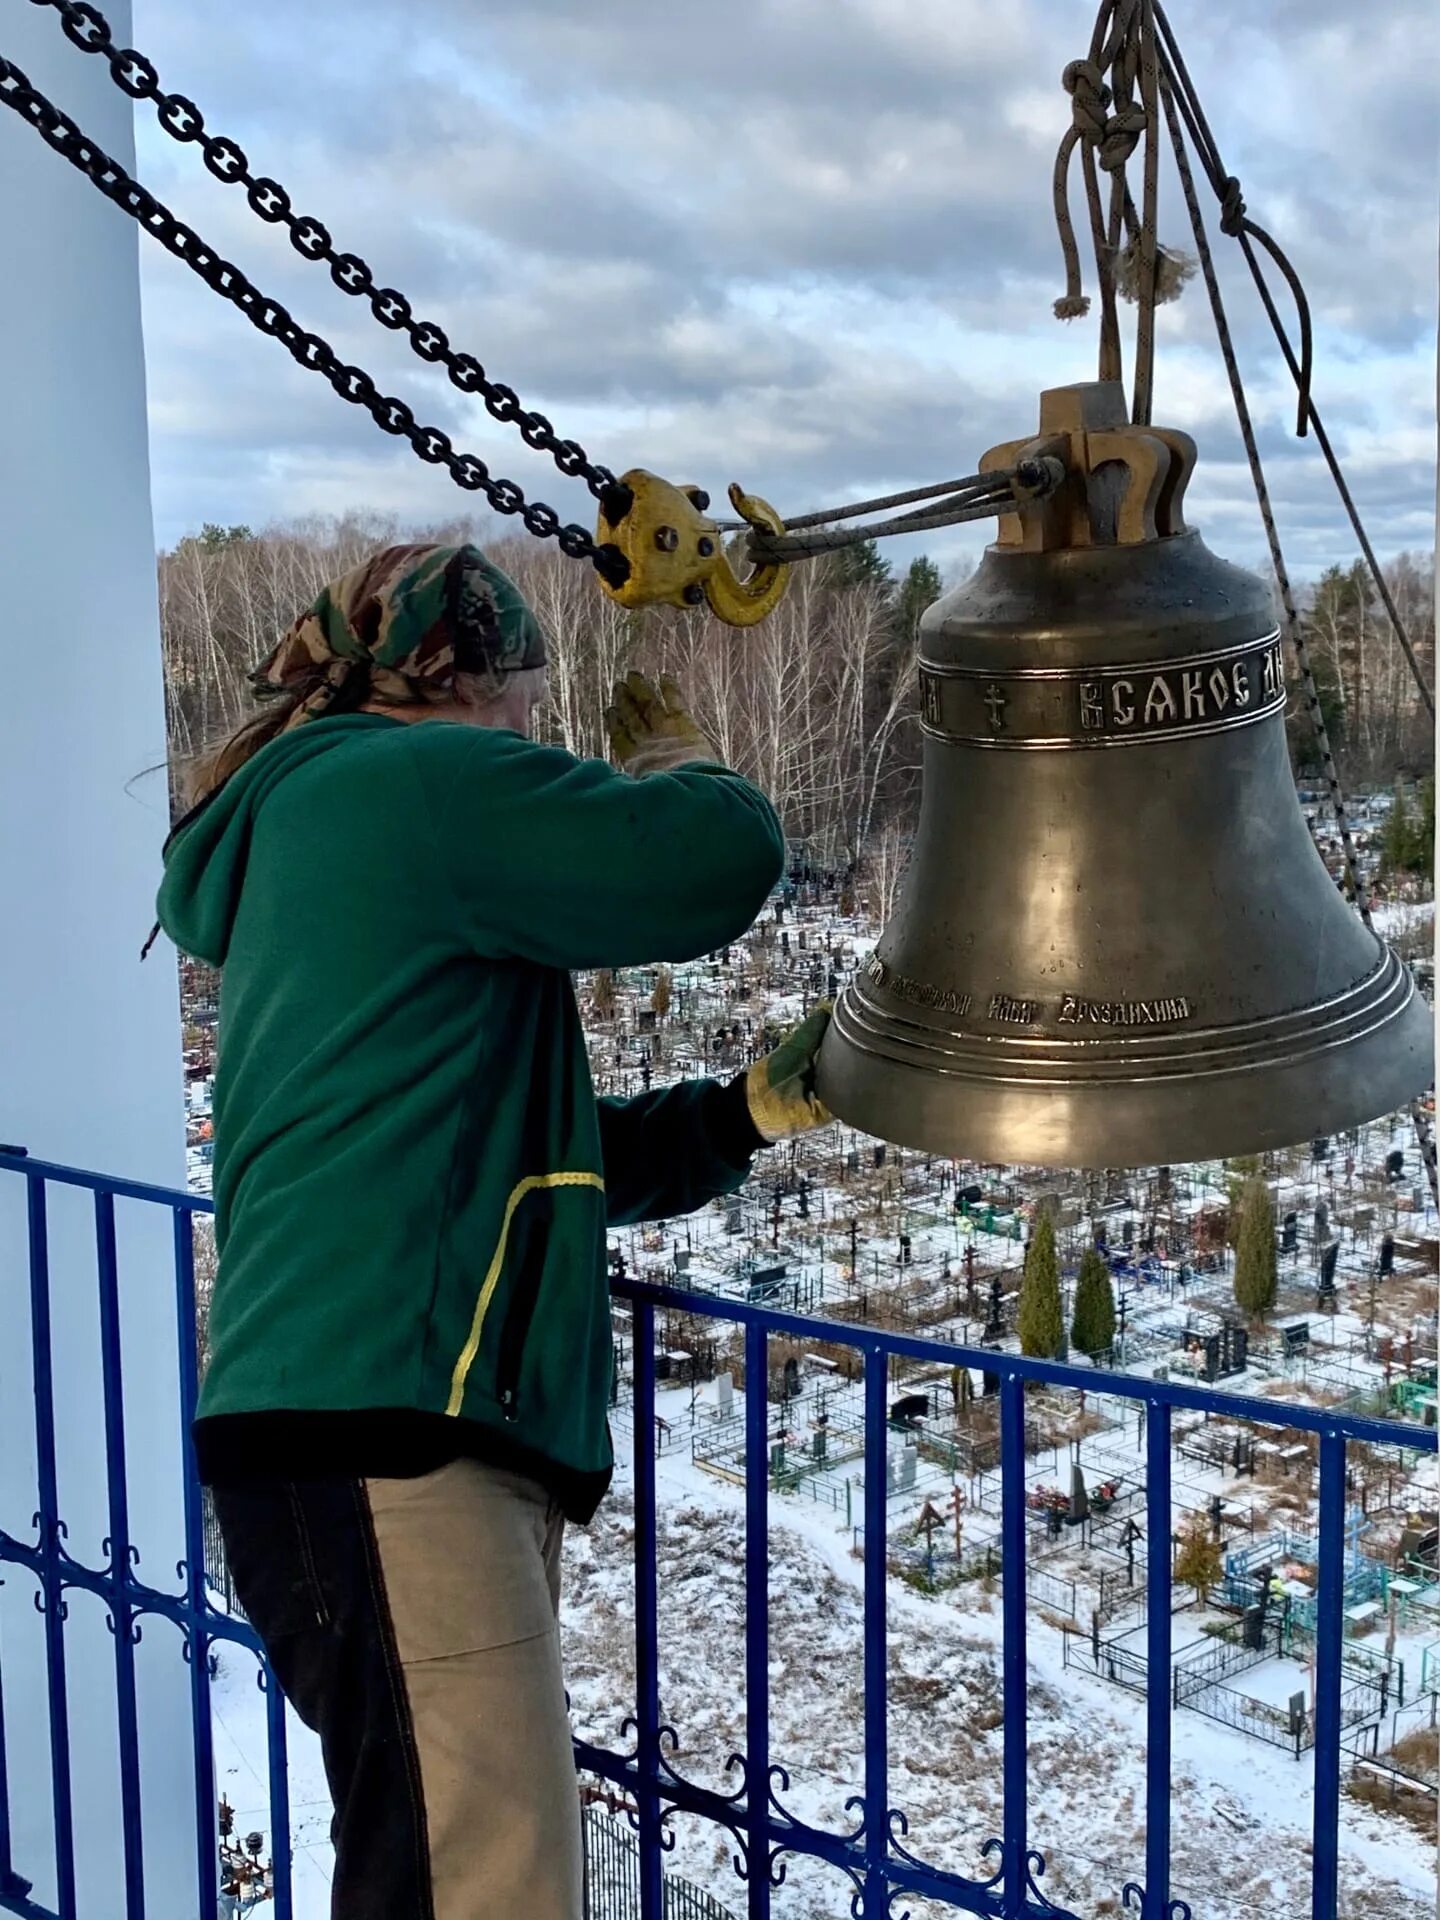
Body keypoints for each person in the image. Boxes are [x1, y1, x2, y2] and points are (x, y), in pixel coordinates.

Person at [154, 542, 832, 1920]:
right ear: (455, 680)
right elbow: (714, 865)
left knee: (438, 1874)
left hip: (350, 1433)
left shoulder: (325, 817)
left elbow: (501, 1152)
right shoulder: (411, 782)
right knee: (487, 1893)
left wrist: (741, 1117)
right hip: (395, 1447)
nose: (533, 726)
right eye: (524, 698)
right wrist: (687, 765)